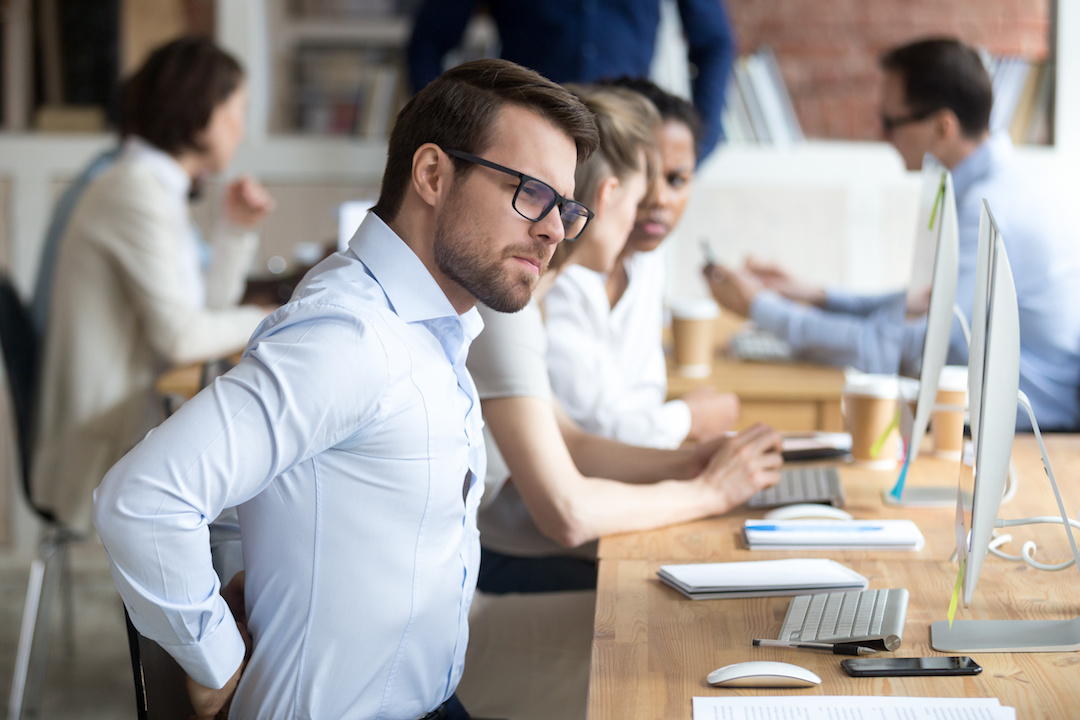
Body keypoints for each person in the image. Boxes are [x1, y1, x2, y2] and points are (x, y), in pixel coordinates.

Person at [93, 59, 600, 720]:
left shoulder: (420, 329)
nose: (555, 229)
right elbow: (143, 498)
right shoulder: (352, 338)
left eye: (566, 208)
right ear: (432, 175)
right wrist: (214, 660)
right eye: (531, 193)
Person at [457, 83, 780, 718]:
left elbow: (571, 439)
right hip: (458, 618)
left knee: (713, 629)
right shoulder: (509, 308)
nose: (638, 225)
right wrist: (708, 491)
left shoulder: (529, 298)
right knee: (692, 650)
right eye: (638, 202)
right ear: (609, 199)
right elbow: (568, 512)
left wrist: (692, 461)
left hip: (458, 597)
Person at [704, 37, 1080, 431]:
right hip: (992, 421)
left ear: (942, 127)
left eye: (889, 122)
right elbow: (924, 305)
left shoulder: (988, 210)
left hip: (1025, 436)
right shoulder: (1007, 185)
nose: (880, 136)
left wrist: (759, 306)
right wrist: (816, 295)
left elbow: (894, 344)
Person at [32, 37, 275, 534]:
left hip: (127, 422)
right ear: (202, 110)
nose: (241, 126)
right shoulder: (134, 189)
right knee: (261, 489)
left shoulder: (151, 184)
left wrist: (234, 230)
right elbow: (181, 337)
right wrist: (271, 317)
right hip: (104, 445)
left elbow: (201, 311)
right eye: (238, 109)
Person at [545, 78, 739, 449]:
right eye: (647, 176)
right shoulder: (557, 276)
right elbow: (589, 431)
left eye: (677, 179)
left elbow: (642, 398)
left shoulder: (649, 264)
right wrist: (687, 417)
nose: (658, 198)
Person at [406, 0, 735, 159]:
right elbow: (428, 41)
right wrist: (450, 136)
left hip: (625, 145)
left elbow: (715, 43)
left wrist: (698, 145)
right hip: (523, 143)